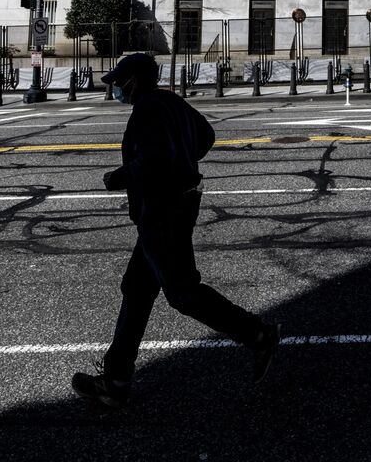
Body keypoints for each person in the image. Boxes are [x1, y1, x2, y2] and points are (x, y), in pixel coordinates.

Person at [72, 53, 280, 408]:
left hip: (162, 211)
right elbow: (206, 135)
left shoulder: (147, 109)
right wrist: (186, 159)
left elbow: (153, 160)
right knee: (137, 290)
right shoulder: (170, 100)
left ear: (136, 79)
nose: (117, 89)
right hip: (178, 205)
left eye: (121, 82)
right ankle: (116, 378)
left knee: (182, 292)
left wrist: (119, 177)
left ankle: (257, 334)